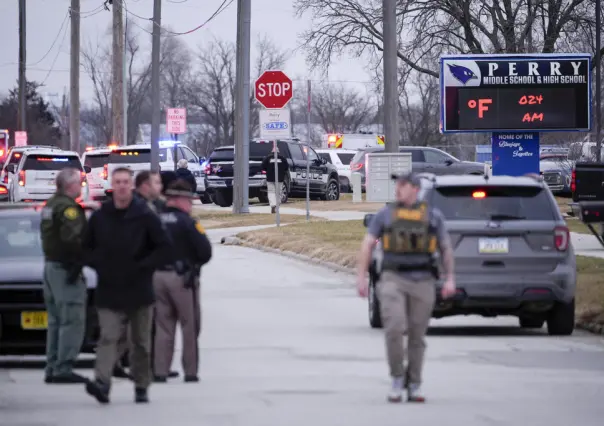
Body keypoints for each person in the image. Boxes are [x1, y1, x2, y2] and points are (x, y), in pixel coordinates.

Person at [356, 172, 456, 403]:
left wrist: (450, 278)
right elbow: (368, 244)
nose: (398, 189)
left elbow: (445, 248)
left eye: (402, 185)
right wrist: (361, 277)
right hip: (393, 278)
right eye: (397, 185)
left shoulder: (432, 216)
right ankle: (397, 378)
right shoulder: (386, 214)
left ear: (415, 189)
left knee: (416, 335)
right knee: (393, 328)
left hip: (423, 281)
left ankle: (415, 384)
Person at [83, 167, 172, 404]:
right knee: (108, 337)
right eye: (118, 182)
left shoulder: (144, 215)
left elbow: (164, 246)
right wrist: (99, 264)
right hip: (109, 288)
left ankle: (141, 385)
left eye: (126, 182)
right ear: (113, 185)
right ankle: (102, 383)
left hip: (139, 289)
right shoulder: (102, 216)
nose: (122, 186)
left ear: (131, 186)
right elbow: (85, 248)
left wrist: (145, 265)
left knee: (141, 342)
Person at [154, 180, 212, 383]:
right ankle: (190, 371)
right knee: (190, 325)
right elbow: (205, 251)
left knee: (163, 326)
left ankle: (160, 370)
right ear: (179, 200)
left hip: (157, 278)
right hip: (182, 279)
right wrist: (194, 266)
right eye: (189, 200)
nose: (191, 205)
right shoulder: (188, 222)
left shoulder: (156, 220)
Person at [39, 168, 89, 384]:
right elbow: (73, 239)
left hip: (50, 267)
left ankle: (52, 366)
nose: (81, 186)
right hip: (65, 268)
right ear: (70, 186)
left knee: (55, 321)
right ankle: (63, 367)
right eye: (79, 183)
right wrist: (80, 261)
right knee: (71, 318)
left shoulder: (51, 205)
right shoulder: (68, 209)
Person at [261, 145, 288, 213]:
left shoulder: (267, 158)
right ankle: (277, 205)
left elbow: (263, 167)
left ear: (272, 152)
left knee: (271, 192)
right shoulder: (283, 159)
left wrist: (268, 170)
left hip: (270, 179)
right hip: (280, 179)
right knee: (278, 193)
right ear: (279, 152)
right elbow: (286, 167)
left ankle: (273, 205)